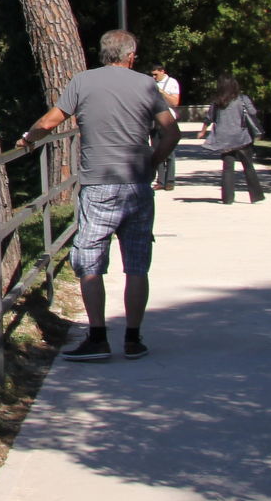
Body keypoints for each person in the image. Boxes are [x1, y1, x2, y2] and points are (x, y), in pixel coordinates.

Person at [16, 29, 179, 361]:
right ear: (131, 56)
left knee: (90, 262)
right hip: (137, 185)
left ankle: (98, 338)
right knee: (136, 265)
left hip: (98, 185)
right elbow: (170, 131)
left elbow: (51, 120)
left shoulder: (82, 82)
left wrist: (28, 138)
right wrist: (152, 161)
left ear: (103, 53)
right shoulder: (147, 85)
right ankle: (133, 340)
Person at [204, 77, 263, 204]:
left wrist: (202, 130)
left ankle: (228, 198)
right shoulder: (242, 99)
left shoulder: (217, 102)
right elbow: (252, 112)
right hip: (241, 137)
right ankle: (256, 195)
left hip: (225, 138)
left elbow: (210, 117)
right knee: (248, 166)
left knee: (228, 168)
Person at [150, 65, 182, 190]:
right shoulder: (151, 83)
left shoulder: (172, 82)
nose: (154, 77)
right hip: (154, 121)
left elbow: (175, 102)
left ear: (163, 71)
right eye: (152, 75)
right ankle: (160, 181)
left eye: (156, 74)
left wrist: (162, 92)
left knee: (169, 152)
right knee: (156, 150)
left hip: (168, 121)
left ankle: (170, 181)